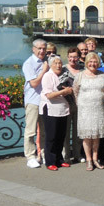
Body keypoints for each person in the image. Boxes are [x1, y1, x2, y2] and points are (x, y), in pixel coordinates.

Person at [39, 55, 74, 171]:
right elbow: (49, 95)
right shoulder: (47, 76)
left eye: (60, 63)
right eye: (56, 63)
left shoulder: (64, 75)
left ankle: (59, 159)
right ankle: (50, 161)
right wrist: (64, 92)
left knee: (61, 136)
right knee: (51, 136)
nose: (58, 65)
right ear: (50, 65)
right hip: (50, 109)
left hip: (63, 108)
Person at [73, 52, 104, 171]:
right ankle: (88, 160)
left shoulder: (103, 75)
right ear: (86, 63)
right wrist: (80, 104)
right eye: (90, 62)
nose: (93, 64)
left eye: (95, 61)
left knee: (96, 135)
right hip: (85, 109)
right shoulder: (80, 75)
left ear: (98, 63)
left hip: (98, 108)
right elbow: (75, 91)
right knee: (87, 136)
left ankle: (95, 158)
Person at [23, 39, 49, 168]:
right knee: (30, 131)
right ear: (33, 49)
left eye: (44, 48)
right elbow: (34, 83)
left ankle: (43, 154)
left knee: (44, 130)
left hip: (45, 101)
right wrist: (44, 70)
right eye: (39, 48)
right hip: (33, 100)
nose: (42, 51)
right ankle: (30, 156)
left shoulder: (47, 61)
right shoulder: (29, 63)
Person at [62, 47, 82, 163]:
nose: (73, 59)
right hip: (66, 103)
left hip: (80, 104)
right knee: (65, 130)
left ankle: (77, 154)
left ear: (79, 58)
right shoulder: (63, 69)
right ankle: (66, 155)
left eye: (75, 57)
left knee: (78, 131)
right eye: (70, 57)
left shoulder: (83, 70)